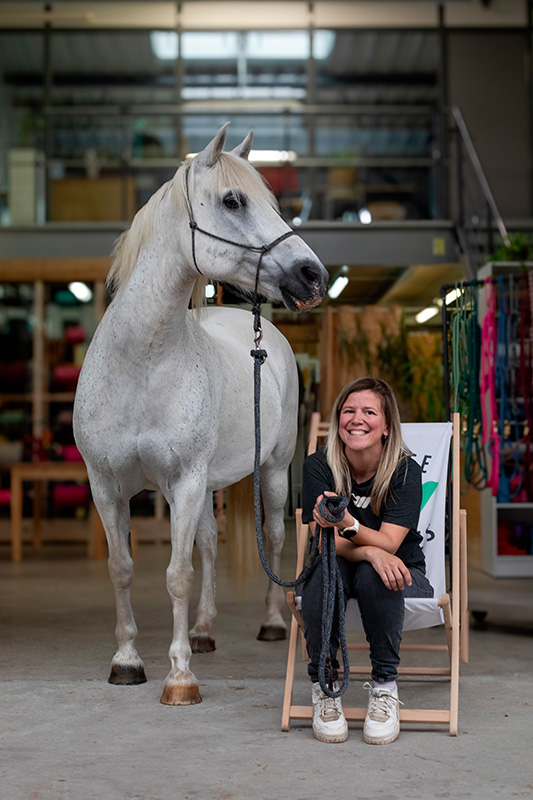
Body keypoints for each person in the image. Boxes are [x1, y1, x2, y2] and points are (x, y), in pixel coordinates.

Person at [301, 377, 433, 745]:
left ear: (386, 426)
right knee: (323, 573)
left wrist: (350, 527)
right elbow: (321, 540)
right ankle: (325, 685)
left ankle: (385, 687)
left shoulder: (405, 472)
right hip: (340, 565)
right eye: (348, 411)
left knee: (377, 575)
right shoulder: (318, 466)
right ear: (338, 420)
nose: (357, 419)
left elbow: (392, 544)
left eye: (369, 412)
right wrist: (372, 550)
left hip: (401, 574)